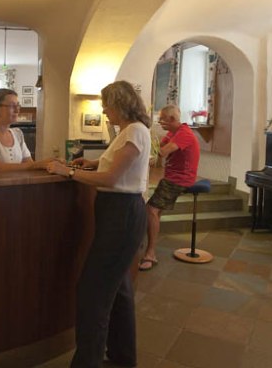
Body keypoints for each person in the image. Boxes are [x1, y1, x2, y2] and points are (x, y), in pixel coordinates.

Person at [46, 80, 151, 368]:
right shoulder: (129, 131)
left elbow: (111, 179)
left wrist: (67, 171)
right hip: (118, 212)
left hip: (122, 213)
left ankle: (87, 362)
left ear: (119, 104)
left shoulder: (134, 131)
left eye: (107, 105)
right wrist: (93, 164)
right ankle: (122, 356)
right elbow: (117, 168)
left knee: (92, 292)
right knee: (119, 288)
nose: (104, 110)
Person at [139, 104, 201, 271]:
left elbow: (162, 152)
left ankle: (150, 254)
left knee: (150, 210)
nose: (159, 122)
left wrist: (148, 135)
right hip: (172, 177)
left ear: (172, 119)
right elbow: (158, 151)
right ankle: (145, 243)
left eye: (162, 119)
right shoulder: (172, 133)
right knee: (155, 211)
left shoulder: (184, 133)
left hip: (181, 179)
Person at [0, 88, 56, 173]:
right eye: (12, 106)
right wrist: (38, 164)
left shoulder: (17, 133)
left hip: (19, 182)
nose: (17, 110)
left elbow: (29, 163)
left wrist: (51, 164)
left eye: (18, 105)